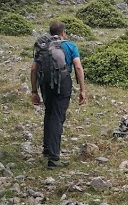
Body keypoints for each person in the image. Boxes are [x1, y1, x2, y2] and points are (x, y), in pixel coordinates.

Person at [30, 20, 87, 167]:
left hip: (45, 82)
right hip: (63, 81)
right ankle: (54, 159)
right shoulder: (70, 45)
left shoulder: (44, 46)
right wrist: (82, 90)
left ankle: (47, 149)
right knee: (57, 117)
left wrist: (34, 91)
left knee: (49, 113)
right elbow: (78, 67)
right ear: (63, 33)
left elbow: (33, 69)